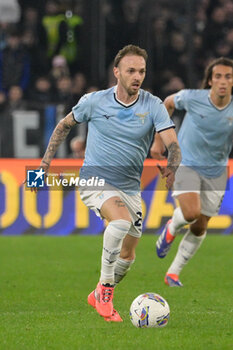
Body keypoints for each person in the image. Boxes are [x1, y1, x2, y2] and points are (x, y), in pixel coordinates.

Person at [36, 45, 181, 321]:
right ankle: (104, 292)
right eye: (131, 71)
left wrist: (172, 168)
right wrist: (45, 164)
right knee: (120, 222)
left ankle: (98, 292)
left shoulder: (152, 105)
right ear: (117, 72)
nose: (137, 76)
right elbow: (63, 125)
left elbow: (173, 144)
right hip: (95, 179)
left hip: (129, 187)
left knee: (127, 258)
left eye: (141, 71)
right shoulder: (94, 101)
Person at [151, 57, 233, 287]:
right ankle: (172, 226)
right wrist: (158, 142)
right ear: (210, 80)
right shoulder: (192, 98)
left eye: (228, 76)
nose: (223, 81)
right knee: (190, 213)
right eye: (218, 76)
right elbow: (166, 104)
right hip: (186, 163)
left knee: (199, 227)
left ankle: (173, 273)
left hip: (217, 171)